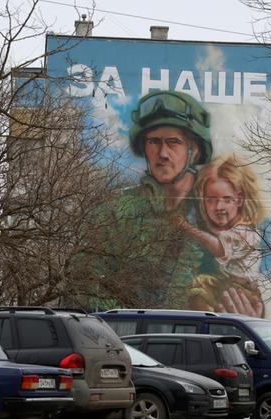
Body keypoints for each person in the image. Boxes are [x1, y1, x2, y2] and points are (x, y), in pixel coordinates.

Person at [81, 90, 215, 309]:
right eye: (154, 142)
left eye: (174, 142)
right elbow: (84, 281)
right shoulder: (115, 213)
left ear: (194, 151)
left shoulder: (216, 211)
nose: (163, 153)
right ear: (144, 148)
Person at [173, 155, 266, 317]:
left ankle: (208, 321)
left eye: (226, 199)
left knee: (201, 286)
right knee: (199, 284)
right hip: (228, 284)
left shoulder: (244, 233)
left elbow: (217, 246)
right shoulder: (228, 230)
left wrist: (187, 228)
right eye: (211, 199)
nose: (219, 207)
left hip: (242, 289)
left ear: (239, 199)